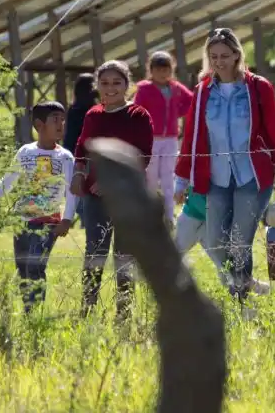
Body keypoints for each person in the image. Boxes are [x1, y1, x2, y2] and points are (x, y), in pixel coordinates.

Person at [174, 28, 275, 313]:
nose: (219, 61)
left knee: (240, 240)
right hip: (215, 176)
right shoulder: (202, 90)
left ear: (237, 55)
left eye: (225, 56)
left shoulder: (258, 87)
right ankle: (242, 285)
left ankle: (241, 303)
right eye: (213, 56)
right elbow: (191, 134)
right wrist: (181, 179)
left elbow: (274, 132)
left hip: (251, 176)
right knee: (216, 240)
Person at [71, 60, 154, 322]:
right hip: (95, 197)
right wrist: (78, 173)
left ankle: (124, 312)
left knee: (124, 254)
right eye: (104, 83)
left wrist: (111, 183)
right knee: (94, 252)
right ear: (97, 86)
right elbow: (82, 147)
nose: (110, 88)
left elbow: (142, 156)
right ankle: (87, 308)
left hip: (128, 196)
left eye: (117, 83)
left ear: (127, 86)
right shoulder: (92, 115)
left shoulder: (139, 116)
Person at [0, 101, 77, 313]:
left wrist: (66, 219)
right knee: (22, 269)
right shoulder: (25, 152)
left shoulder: (65, 157)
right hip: (22, 222)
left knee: (35, 267)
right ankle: (29, 310)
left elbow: (72, 191)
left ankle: (35, 313)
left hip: (48, 223)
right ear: (39, 125)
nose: (60, 124)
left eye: (62, 120)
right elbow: (9, 179)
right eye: (54, 120)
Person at [134, 51, 194, 228]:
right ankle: (149, 216)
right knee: (150, 178)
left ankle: (169, 216)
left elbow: (191, 101)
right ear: (151, 70)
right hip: (151, 138)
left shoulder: (175, 88)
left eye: (166, 69)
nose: (163, 73)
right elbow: (138, 110)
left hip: (170, 138)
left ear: (171, 69)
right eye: (158, 69)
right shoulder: (144, 88)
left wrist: (178, 112)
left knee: (169, 178)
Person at [174, 186, 270, 294]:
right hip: (190, 218)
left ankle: (244, 289)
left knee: (225, 264)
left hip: (212, 223)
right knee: (171, 255)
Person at [62, 74, 98, 225]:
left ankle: (84, 218)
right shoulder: (94, 110)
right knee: (88, 190)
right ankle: (88, 219)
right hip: (91, 155)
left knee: (76, 190)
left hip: (74, 154)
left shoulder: (73, 110)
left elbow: (70, 136)